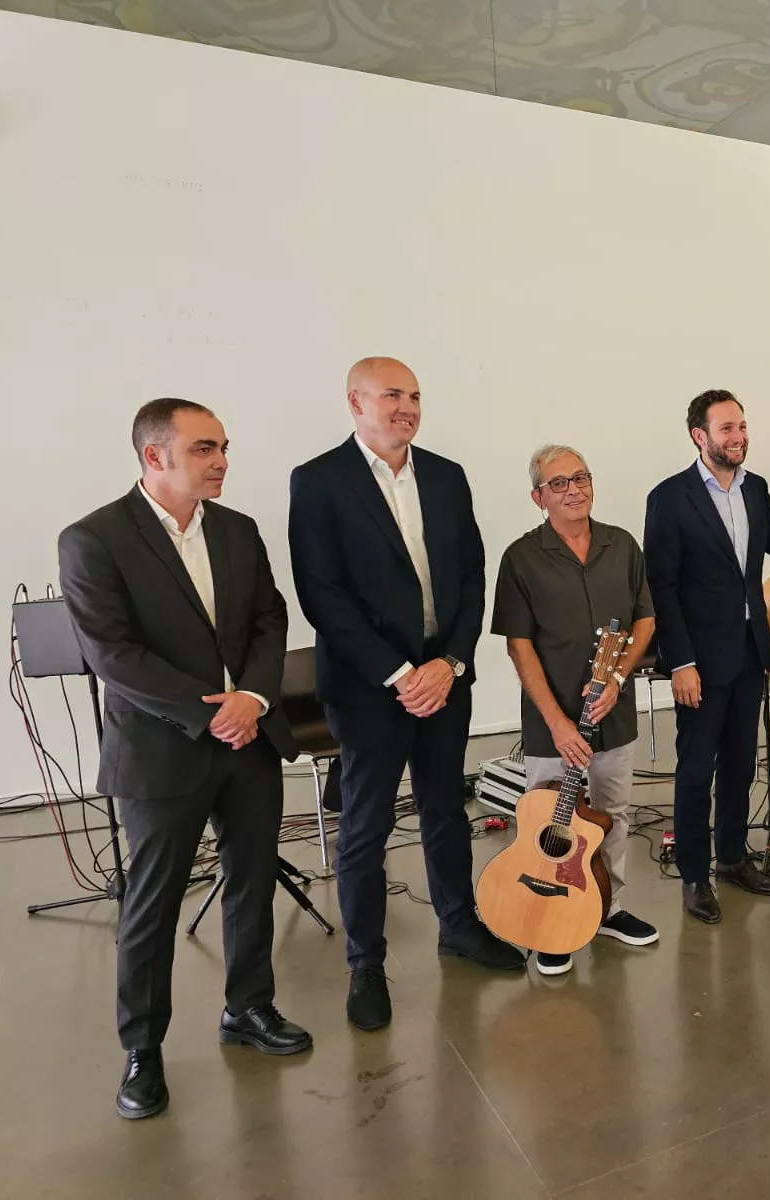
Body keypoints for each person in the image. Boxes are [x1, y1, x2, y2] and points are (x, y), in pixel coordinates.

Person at [59, 398, 311, 1122]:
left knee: (251, 881)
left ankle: (249, 1007)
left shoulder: (237, 530)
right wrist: (212, 712)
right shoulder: (94, 539)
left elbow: (268, 617)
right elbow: (112, 653)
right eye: (204, 448)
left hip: (249, 738)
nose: (222, 461)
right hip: (161, 751)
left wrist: (253, 698)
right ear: (154, 455)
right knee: (152, 902)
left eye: (224, 447)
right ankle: (143, 1048)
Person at [288, 357, 524, 1035]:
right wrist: (399, 673)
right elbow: (322, 595)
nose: (407, 407)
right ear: (355, 402)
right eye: (392, 394)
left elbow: (472, 576)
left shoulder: (446, 476)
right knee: (366, 826)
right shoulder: (319, 481)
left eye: (415, 395)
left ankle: (459, 925)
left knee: (446, 808)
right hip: (369, 687)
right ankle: (365, 963)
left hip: (444, 676)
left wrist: (450, 661)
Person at [490, 444, 659, 976]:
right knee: (548, 822)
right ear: (538, 497)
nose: (573, 490)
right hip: (552, 721)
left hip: (613, 711)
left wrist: (618, 677)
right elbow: (519, 646)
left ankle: (606, 907)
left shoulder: (622, 545)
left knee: (613, 814)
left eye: (580, 478)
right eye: (559, 483)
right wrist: (557, 723)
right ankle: (549, 918)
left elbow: (645, 620)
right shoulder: (520, 558)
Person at [643, 389, 770, 924]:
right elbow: (662, 588)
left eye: (742, 426)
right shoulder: (669, 498)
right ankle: (693, 875)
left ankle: (731, 858)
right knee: (695, 771)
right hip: (700, 662)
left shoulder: (755, 488)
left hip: (750, 651)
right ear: (699, 436)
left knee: (740, 763)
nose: (739, 436)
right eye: (727, 428)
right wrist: (680, 662)